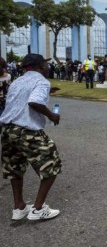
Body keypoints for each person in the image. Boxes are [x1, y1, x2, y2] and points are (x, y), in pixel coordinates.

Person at [0, 54, 61, 220]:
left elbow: (23, 96)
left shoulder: (17, 81)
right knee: (52, 164)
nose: (48, 67)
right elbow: (34, 102)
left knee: (14, 169)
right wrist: (52, 116)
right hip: (26, 131)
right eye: (46, 64)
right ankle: (38, 209)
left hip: (7, 130)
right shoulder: (41, 81)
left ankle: (19, 207)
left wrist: (48, 90)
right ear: (41, 66)